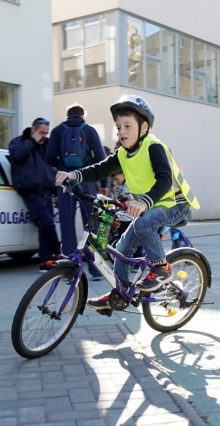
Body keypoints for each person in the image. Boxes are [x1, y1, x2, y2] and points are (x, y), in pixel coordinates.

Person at [55, 95, 200, 311]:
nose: (121, 131)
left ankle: (161, 268)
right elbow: (100, 169)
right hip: (152, 207)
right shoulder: (123, 154)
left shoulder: (153, 146)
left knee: (143, 224)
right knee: (122, 248)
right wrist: (75, 175)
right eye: (118, 126)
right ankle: (120, 293)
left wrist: (144, 202)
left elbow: (164, 179)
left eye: (127, 126)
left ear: (144, 127)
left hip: (175, 204)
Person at [46, 104, 107, 279]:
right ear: (82, 115)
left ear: (68, 115)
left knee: (67, 224)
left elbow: (50, 158)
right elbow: (101, 159)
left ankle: (69, 269)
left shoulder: (57, 131)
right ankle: (96, 270)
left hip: (65, 183)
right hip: (86, 181)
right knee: (92, 224)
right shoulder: (90, 131)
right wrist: (102, 183)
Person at [8, 118, 61, 271]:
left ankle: (45, 261)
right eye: (41, 132)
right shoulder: (19, 142)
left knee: (45, 228)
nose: (44, 136)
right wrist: (32, 141)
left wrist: (56, 191)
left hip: (46, 192)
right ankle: (58, 253)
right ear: (33, 130)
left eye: (46, 133)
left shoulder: (46, 145)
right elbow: (15, 155)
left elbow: (51, 169)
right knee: (47, 224)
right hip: (31, 193)